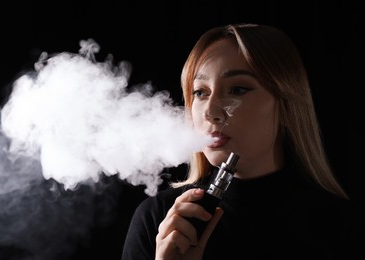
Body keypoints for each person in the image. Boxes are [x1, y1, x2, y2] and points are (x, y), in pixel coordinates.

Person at [121, 23, 365, 259]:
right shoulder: (160, 220)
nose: (210, 111)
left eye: (237, 89)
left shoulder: (343, 228)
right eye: (200, 92)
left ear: (288, 108)